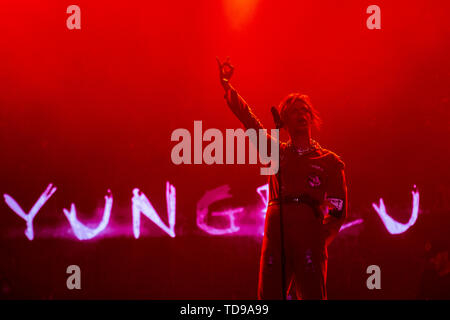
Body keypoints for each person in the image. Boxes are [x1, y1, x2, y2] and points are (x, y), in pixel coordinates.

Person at [216, 57, 348, 300]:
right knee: (269, 295)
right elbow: (250, 122)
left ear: (311, 117)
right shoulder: (275, 150)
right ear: (284, 120)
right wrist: (228, 88)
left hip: (310, 234)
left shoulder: (330, 161)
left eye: (304, 110)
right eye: (294, 111)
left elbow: (338, 211)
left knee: (312, 295)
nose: (301, 114)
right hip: (276, 231)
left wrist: (319, 239)